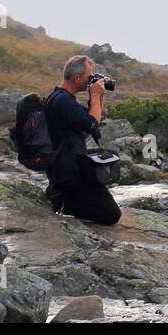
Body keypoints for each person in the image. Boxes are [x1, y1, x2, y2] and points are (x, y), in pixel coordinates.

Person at [44, 54, 120, 225]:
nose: (90, 80)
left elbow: (88, 119)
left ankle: (62, 198)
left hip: (64, 167)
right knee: (111, 215)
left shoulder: (59, 97)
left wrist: (98, 95)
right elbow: (92, 125)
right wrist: (94, 95)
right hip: (70, 172)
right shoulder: (63, 101)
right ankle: (65, 204)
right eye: (89, 76)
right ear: (77, 77)